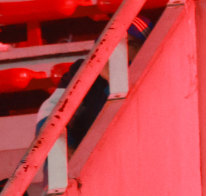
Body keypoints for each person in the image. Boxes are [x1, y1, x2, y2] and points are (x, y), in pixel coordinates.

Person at [34, 15, 154, 155]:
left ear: (146, 49)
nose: (119, 51)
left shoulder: (155, 74)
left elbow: (138, 124)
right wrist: (66, 151)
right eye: (112, 42)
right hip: (89, 160)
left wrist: (115, 82)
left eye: (131, 44)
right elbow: (48, 114)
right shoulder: (83, 70)